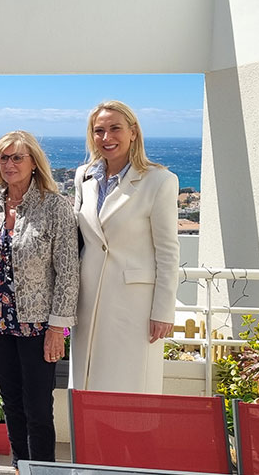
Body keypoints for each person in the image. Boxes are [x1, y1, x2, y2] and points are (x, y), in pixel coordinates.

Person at [0, 131, 78, 465]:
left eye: (17, 157)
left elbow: (68, 271)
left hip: (38, 325)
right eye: (2, 158)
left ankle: (43, 470)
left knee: (38, 407)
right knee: (11, 401)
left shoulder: (55, 206)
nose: (9, 164)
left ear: (34, 163)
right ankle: (20, 467)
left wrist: (57, 328)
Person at [71, 100, 180, 393]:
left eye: (115, 128)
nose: (107, 138)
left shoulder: (159, 181)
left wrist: (163, 311)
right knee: (87, 387)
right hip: (88, 300)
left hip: (135, 307)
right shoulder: (84, 177)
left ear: (133, 132)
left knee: (130, 390)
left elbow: (168, 252)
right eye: (99, 131)